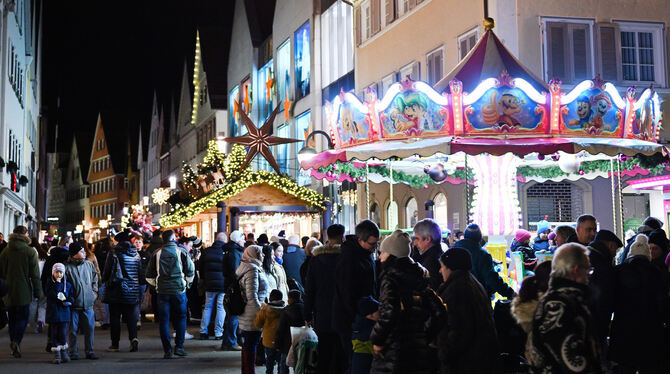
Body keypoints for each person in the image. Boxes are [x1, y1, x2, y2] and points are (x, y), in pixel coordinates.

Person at [370, 230, 446, 374]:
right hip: (417, 354)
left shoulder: (390, 278)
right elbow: (439, 311)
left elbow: (389, 312)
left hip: (393, 352)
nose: (380, 257)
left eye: (383, 252)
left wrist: (378, 340)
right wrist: (423, 336)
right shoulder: (420, 278)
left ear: (392, 255)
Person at [526, 243, 601, 373]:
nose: (589, 275)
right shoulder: (558, 305)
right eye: (588, 269)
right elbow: (572, 363)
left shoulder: (561, 300)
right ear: (576, 270)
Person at [608, 234, 666, 373]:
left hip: (623, 331)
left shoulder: (618, 272)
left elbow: (611, 302)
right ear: (647, 256)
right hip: (650, 333)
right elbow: (662, 303)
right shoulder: (657, 273)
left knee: (625, 367)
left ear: (630, 255)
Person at [437, 247, 499, 374]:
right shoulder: (471, 282)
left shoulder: (456, 290)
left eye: (442, 266)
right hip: (480, 357)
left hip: (466, 362)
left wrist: (443, 354)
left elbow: (459, 330)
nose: (439, 271)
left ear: (451, 268)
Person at [333, 220, 380, 373]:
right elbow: (347, 292)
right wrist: (363, 313)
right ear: (360, 240)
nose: (375, 248)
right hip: (351, 320)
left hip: (361, 315)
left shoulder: (365, 254)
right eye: (372, 244)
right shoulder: (349, 259)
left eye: (376, 244)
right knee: (355, 362)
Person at [145, 229, 195, 359]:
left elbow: (149, 275)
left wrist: (156, 286)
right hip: (179, 290)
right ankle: (179, 347)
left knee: (164, 321)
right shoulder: (181, 252)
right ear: (174, 239)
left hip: (162, 291)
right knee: (181, 318)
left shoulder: (157, 253)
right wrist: (187, 284)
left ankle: (167, 350)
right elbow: (190, 270)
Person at [304, 223, 345, 374]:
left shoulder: (316, 260)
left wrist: (307, 314)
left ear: (327, 237)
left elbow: (310, 289)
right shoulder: (345, 258)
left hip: (321, 313)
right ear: (342, 237)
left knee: (323, 354)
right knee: (340, 355)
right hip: (342, 313)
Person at [0, 226, 42, 358]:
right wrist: (37, 292)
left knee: (12, 318)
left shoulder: (5, 252)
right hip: (24, 290)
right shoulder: (30, 252)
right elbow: (35, 275)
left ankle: (13, 341)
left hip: (8, 290)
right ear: (25, 235)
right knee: (23, 318)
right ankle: (17, 341)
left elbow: (1, 272)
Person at [586, 229, 621, 369]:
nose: (615, 254)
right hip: (597, 323)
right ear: (611, 246)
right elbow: (604, 298)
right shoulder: (603, 264)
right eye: (616, 250)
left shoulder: (587, 256)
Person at [102, 230, 141, 353]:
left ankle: (115, 344)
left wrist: (104, 281)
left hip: (116, 289)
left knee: (114, 317)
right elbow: (140, 273)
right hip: (132, 289)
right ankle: (133, 338)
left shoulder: (113, 253)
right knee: (131, 317)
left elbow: (107, 272)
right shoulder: (135, 254)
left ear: (118, 241)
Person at [452, 224, 515, 299]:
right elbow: (492, 280)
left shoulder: (452, 251)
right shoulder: (482, 255)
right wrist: (511, 293)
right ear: (479, 238)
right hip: (477, 299)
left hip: (455, 297)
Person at [236, 245, 268, 374]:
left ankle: (247, 371)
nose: (263, 255)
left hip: (247, 312)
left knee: (248, 345)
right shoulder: (252, 270)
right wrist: (262, 312)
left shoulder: (245, 267)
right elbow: (252, 296)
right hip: (252, 314)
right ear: (253, 255)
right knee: (251, 345)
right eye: (260, 253)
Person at [65, 242, 99, 360]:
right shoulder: (67, 268)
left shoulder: (89, 265)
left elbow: (95, 279)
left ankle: (90, 351)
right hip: (73, 305)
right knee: (72, 330)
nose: (85, 252)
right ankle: (73, 352)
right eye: (81, 251)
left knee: (90, 328)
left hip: (88, 303)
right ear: (74, 254)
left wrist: (93, 294)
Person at [198, 232, 227, 340]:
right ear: (225, 241)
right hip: (222, 284)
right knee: (221, 307)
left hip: (209, 283)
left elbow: (200, 267)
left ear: (215, 239)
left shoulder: (206, 252)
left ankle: (203, 331)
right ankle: (218, 332)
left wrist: (204, 279)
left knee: (207, 307)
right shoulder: (225, 252)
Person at [220, 230, 245, 351]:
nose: (244, 241)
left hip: (230, 286)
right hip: (234, 287)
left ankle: (228, 341)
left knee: (232, 315)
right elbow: (236, 272)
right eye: (242, 238)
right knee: (234, 315)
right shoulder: (235, 252)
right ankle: (230, 341)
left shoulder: (230, 251)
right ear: (237, 239)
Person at [46, 263, 73, 364]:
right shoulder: (50, 284)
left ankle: (64, 352)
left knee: (62, 333)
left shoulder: (68, 284)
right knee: (54, 334)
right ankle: (57, 354)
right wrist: (57, 284)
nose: (59, 275)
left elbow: (71, 295)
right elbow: (51, 294)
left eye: (61, 272)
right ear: (53, 273)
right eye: (57, 272)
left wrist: (69, 301)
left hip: (64, 312)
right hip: (53, 313)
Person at [254, 289, 286, 374]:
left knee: (269, 361)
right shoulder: (285, 310)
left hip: (268, 341)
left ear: (269, 299)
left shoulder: (264, 310)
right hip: (282, 341)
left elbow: (257, 324)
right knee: (281, 362)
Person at [274, 289, 305, 372]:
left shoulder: (286, 311)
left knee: (284, 364)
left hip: (287, 343)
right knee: (299, 364)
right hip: (302, 342)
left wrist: (277, 344)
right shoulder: (305, 309)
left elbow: (280, 330)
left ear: (290, 299)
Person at [411, 218, 444, 291]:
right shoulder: (440, 256)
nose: (414, 243)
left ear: (428, 239)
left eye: (417, 239)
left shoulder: (430, 263)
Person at [133, 234, 150, 329]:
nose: (138, 244)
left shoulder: (146, 255)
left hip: (142, 282)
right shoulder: (131, 254)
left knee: (139, 301)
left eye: (139, 242)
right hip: (132, 281)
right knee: (134, 301)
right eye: (136, 242)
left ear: (142, 243)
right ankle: (135, 318)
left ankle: (137, 319)